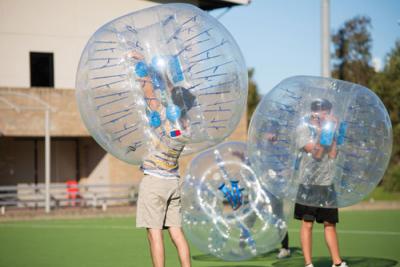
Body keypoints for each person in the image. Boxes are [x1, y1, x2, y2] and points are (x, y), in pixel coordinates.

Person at [129, 50, 195, 267]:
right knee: (176, 233)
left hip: (155, 182)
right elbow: (171, 93)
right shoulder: (186, 127)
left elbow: (150, 93)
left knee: (154, 234)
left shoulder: (162, 117)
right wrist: (165, 76)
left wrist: (144, 68)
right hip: (173, 182)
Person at [294, 98, 348, 267]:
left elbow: (332, 154)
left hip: (327, 182)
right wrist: (323, 132)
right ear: (314, 113)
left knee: (330, 223)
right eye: (324, 111)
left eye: (328, 111)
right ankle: (308, 264)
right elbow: (316, 153)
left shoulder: (330, 130)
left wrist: (332, 132)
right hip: (308, 182)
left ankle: (337, 262)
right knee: (307, 223)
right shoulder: (302, 129)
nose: (327, 114)